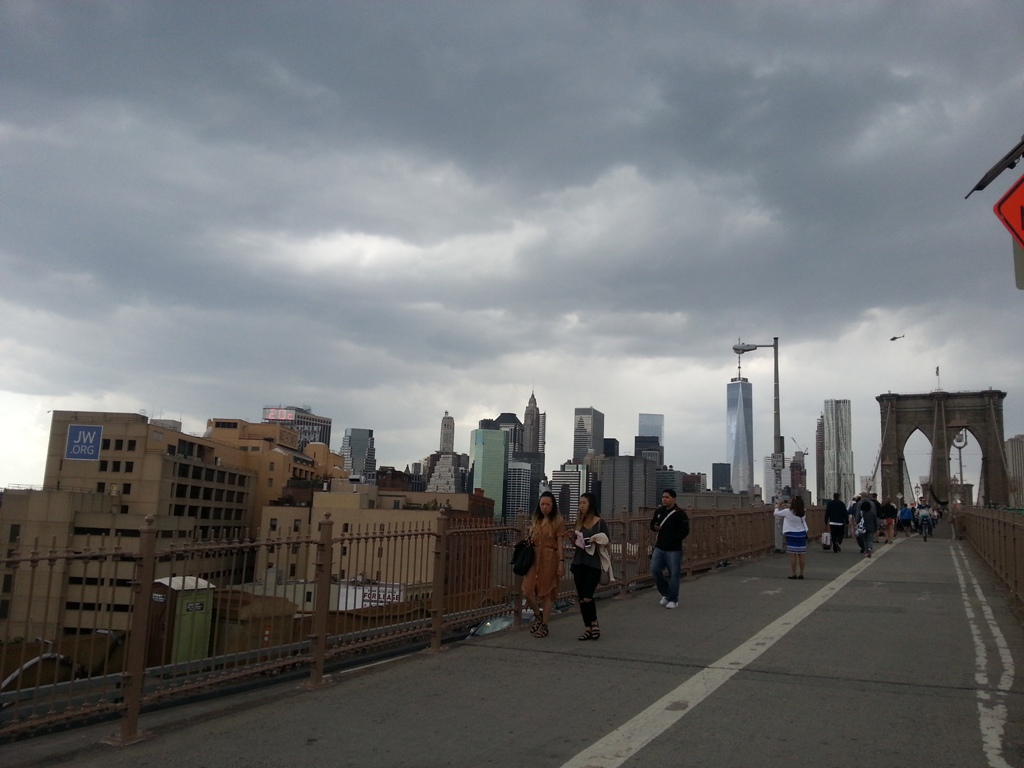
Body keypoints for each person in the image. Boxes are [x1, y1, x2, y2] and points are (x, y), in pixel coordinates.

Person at [522, 491, 566, 638]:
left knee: (546, 593)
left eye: (547, 504)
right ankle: (538, 615)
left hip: (549, 559)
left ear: (553, 505)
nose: (545, 507)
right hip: (534, 558)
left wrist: (561, 562)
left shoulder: (558, 522)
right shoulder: (536, 520)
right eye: (542, 504)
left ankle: (545, 625)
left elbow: (560, 544)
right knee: (527, 591)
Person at [569, 492, 610, 640]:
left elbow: (607, 542)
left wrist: (595, 540)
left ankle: (594, 623)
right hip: (579, 562)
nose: (581, 506)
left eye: (584, 503)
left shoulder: (600, 523)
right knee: (581, 599)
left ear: (591, 504)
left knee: (587, 597)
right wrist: (572, 538)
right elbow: (576, 544)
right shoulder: (579, 522)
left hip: (593, 564)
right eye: (580, 503)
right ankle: (588, 628)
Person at [650, 489, 690, 609]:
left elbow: (685, 530)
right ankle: (666, 593)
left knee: (674, 574)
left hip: (673, 549)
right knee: (655, 569)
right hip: (659, 547)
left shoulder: (680, 514)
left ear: (673, 499)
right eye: (663, 497)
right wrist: (655, 527)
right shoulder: (659, 511)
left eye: (667, 497)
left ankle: (673, 599)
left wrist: (674, 539)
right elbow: (652, 525)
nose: (664, 499)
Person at [774, 497, 809, 578]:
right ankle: (801, 574)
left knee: (793, 555)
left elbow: (776, 513)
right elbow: (796, 510)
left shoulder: (787, 511)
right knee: (801, 555)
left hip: (791, 534)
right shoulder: (803, 512)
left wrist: (778, 506)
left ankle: (794, 574)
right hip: (802, 534)